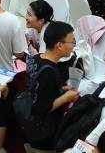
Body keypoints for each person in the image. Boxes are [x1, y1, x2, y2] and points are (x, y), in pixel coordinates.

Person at [23, 21, 79, 151]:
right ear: (59, 45)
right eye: (72, 42)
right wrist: (67, 98)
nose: (73, 46)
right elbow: (43, 108)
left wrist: (61, 90)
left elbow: (39, 89)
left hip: (27, 123)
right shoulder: (50, 72)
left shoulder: (36, 59)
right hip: (42, 135)